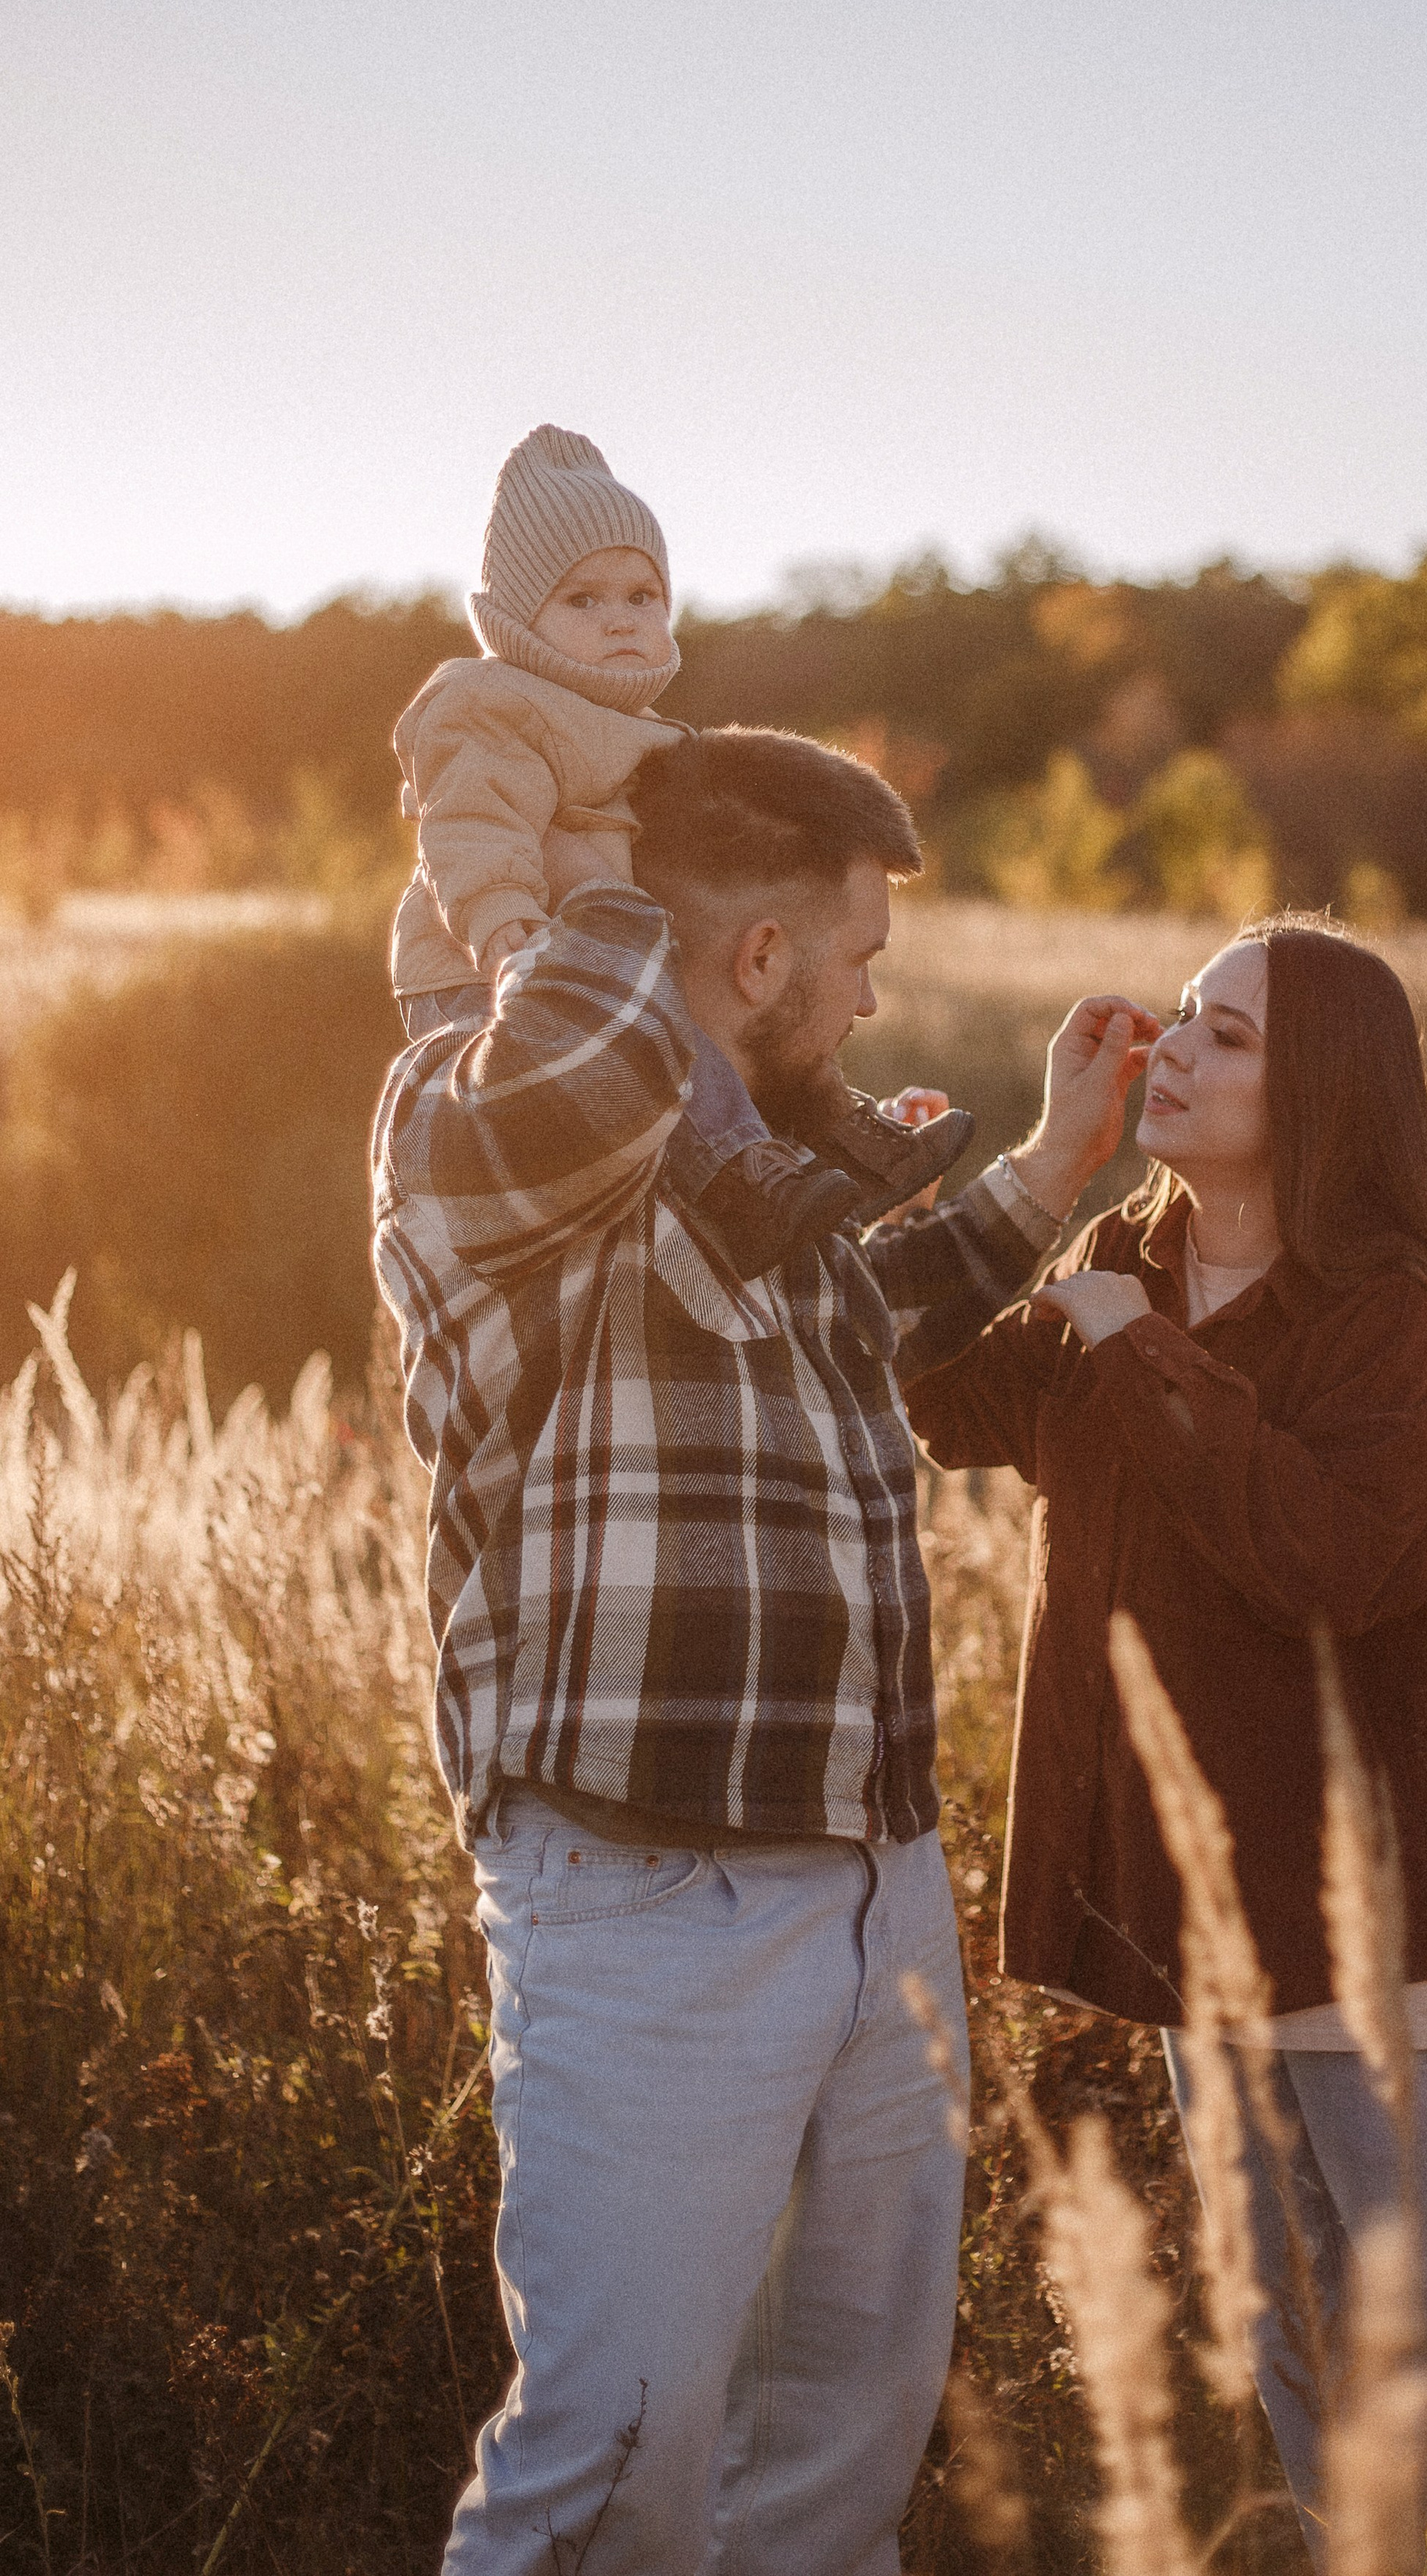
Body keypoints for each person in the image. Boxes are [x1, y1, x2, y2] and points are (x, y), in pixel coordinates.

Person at [371, 722, 1154, 2576]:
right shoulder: (473, 1129)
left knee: (834, 2461)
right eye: (856, 956)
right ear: (755, 955)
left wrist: (1053, 1165)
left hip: (873, 1875)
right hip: (653, 1896)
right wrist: (600, 887)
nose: (869, 1000)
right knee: (611, 2469)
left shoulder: (752, 1174)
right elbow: (567, 1088)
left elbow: (858, 1321)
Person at [899, 911, 1427, 2556]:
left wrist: (1134, 1349)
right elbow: (929, 1399)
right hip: (1200, 1902)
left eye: (1228, 1033)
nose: (1175, 1050)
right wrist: (1022, 1176)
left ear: (1322, 1090)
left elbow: (1319, 1557)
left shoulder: (1387, 1313)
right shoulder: (1119, 1260)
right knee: (1288, 2330)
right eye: (1182, 1016)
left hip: (1360, 1901)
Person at [389, 420, 971, 1272]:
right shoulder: (487, 704)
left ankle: (826, 1149)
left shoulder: (637, 729)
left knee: (687, 1041)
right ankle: (744, 1180)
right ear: (514, 617)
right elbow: (472, 821)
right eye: (582, 601)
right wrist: (501, 920)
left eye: (642, 597)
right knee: (646, 1063)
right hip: (478, 965)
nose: (619, 621)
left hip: (592, 951)